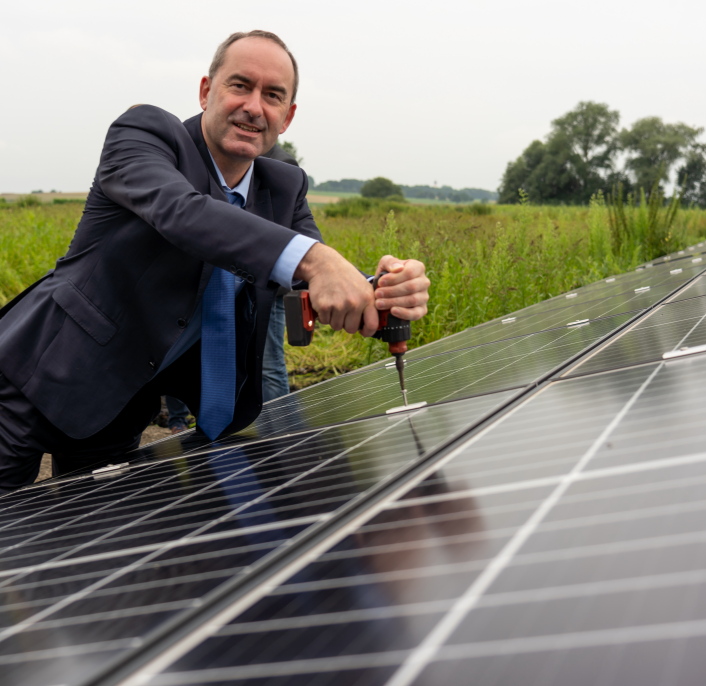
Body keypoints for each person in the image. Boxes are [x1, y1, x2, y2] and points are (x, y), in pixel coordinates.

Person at [0, 30, 430, 492]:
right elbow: (182, 213)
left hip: (117, 410)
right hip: (27, 385)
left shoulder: (284, 189)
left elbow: (306, 285)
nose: (253, 106)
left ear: (287, 117)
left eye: (272, 96)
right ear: (207, 91)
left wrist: (376, 292)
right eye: (239, 85)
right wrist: (317, 260)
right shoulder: (145, 135)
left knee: (79, 552)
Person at [166, 142, 297, 434]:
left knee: (268, 363)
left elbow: (287, 236)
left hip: (265, 290)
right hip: (211, 284)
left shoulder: (283, 169)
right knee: (180, 352)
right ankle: (179, 420)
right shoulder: (198, 162)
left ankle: (280, 431)